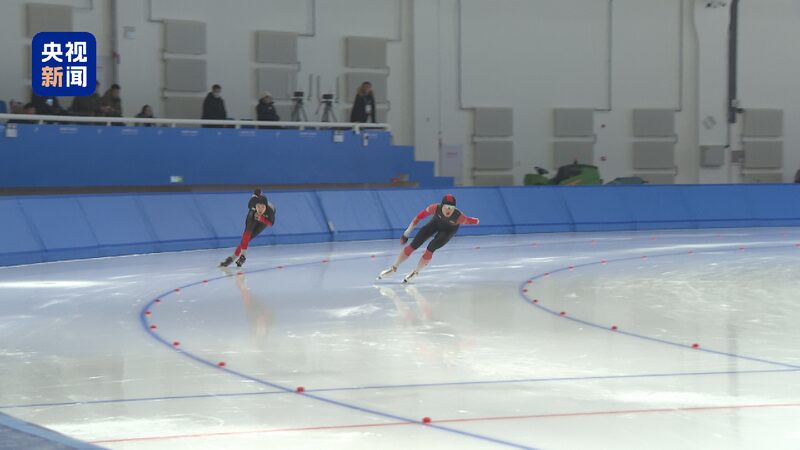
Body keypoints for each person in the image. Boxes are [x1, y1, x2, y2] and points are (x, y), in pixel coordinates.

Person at [378, 194, 479, 283]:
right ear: (442, 205)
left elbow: (470, 220)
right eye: (447, 206)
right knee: (413, 245)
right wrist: (406, 233)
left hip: (448, 231)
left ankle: (415, 272)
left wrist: (476, 221)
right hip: (435, 224)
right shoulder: (433, 208)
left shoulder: (459, 217)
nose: (449, 209)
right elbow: (418, 218)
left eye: (452, 207)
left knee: (431, 248)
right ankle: (393, 268)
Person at [220, 189, 276, 268]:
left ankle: (233, 257)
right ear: (255, 205)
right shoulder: (252, 205)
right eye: (258, 206)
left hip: (265, 220)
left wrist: (262, 219)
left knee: (250, 237)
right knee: (247, 236)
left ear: (266, 207)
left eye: (262, 207)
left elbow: (271, 224)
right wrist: (243, 255)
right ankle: (236, 257)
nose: (260, 209)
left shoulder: (270, 211)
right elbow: (246, 234)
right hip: (254, 215)